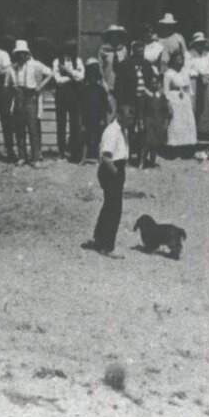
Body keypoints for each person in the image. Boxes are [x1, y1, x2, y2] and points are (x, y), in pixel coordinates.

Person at [85, 112, 129, 256]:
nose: (131, 119)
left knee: (110, 205)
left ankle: (99, 238)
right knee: (115, 208)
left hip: (117, 167)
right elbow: (106, 156)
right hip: (111, 170)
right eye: (128, 116)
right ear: (120, 115)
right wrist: (116, 173)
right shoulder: (112, 131)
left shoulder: (122, 129)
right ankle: (107, 246)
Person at [11, 40, 54, 165]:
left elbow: (51, 73)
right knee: (19, 128)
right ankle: (22, 156)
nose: (21, 56)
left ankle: (35, 157)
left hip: (31, 97)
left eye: (23, 53)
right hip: (19, 95)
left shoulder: (36, 64)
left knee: (32, 127)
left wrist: (41, 86)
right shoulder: (16, 66)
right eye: (18, 53)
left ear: (27, 53)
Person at [52, 41, 86, 162]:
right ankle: (61, 153)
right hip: (61, 97)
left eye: (72, 48)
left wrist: (68, 71)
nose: (70, 51)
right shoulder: (57, 61)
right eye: (68, 48)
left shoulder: (78, 61)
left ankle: (74, 153)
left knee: (74, 125)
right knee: (61, 124)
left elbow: (81, 77)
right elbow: (58, 80)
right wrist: (73, 77)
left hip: (75, 97)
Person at [162, 55, 198, 158]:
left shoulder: (185, 71)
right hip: (175, 100)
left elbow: (190, 88)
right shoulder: (168, 73)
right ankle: (173, 150)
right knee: (175, 123)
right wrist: (168, 103)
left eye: (181, 59)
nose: (180, 61)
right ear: (173, 61)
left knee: (186, 123)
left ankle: (185, 149)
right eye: (177, 59)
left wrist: (192, 102)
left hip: (185, 100)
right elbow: (166, 90)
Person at [185, 32, 209, 150]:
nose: (200, 45)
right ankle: (192, 135)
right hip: (193, 81)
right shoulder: (189, 54)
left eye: (202, 43)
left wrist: (206, 75)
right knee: (193, 107)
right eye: (198, 43)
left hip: (205, 81)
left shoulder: (207, 54)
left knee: (205, 108)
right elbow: (187, 70)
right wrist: (197, 74)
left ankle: (203, 134)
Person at [80, 58, 110, 164]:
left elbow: (105, 104)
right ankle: (84, 157)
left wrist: (103, 117)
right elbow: (82, 105)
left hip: (98, 115)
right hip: (87, 115)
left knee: (98, 136)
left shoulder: (101, 89)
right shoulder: (85, 89)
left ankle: (98, 157)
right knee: (86, 136)